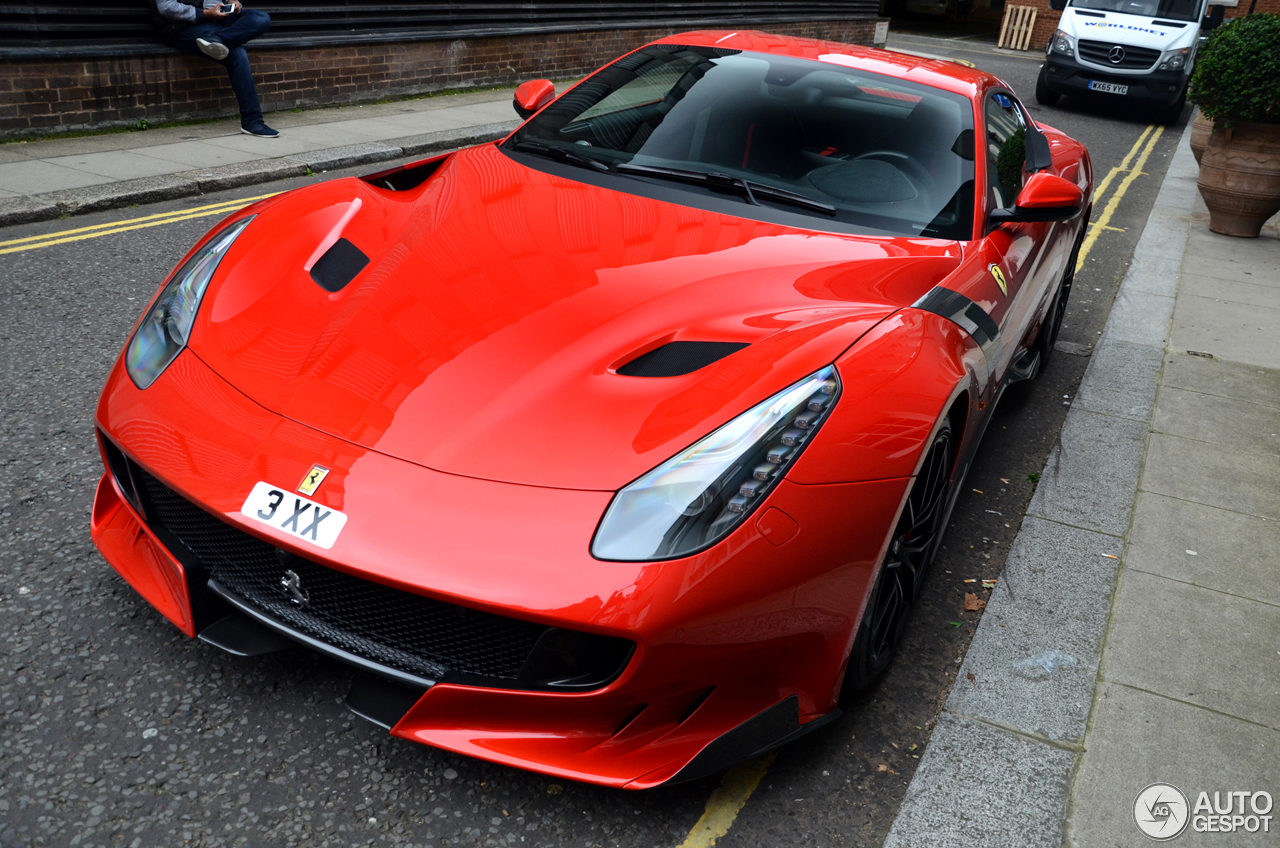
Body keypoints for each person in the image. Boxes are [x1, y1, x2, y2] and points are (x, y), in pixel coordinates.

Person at [151, 0, 279, 138]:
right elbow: (166, 7)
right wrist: (205, 13)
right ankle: (252, 121)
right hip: (181, 26)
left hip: (215, 21)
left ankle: (216, 38)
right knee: (236, 53)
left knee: (261, 18)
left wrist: (231, 3)